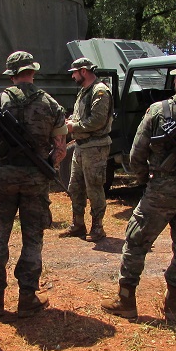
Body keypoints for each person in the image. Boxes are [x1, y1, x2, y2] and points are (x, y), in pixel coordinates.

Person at [102, 58, 176, 321]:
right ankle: (172, 307)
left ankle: (126, 302)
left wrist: (147, 180)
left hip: (162, 189)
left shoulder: (158, 111)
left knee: (135, 241)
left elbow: (135, 156)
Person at [0, 51, 67, 318]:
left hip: (3, 177)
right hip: (35, 179)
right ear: (32, 72)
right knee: (32, 239)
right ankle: (27, 298)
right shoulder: (51, 104)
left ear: (11, 74)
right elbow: (60, 149)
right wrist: (46, 164)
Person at [60, 57, 113, 242]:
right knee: (75, 187)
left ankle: (97, 227)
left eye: (74, 72)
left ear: (83, 71)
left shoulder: (100, 91)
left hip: (95, 147)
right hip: (81, 147)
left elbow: (97, 121)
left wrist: (74, 127)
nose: (73, 76)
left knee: (94, 188)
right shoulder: (84, 91)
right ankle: (78, 224)